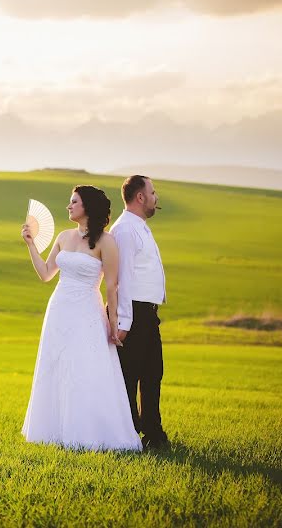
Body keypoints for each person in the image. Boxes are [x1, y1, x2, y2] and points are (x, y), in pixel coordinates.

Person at [20, 185, 142, 451]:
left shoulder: (107, 242)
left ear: (87, 206)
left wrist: (114, 325)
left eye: (73, 202)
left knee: (85, 368)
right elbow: (45, 274)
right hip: (59, 310)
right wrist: (31, 245)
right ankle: (53, 430)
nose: (68, 206)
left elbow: (112, 287)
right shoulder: (63, 237)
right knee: (55, 365)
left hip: (87, 311)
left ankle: (88, 432)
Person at [110, 175, 170, 450]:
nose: (157, 198)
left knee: (152, 372)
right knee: (129, 376)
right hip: (132, 312)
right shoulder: (125, 230)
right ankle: (131, 434)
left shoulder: (140, 227)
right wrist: (124, 321)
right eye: (153, 192)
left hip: (147, 312)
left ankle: (153, 432)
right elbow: (124, 277)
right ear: (140, 197)